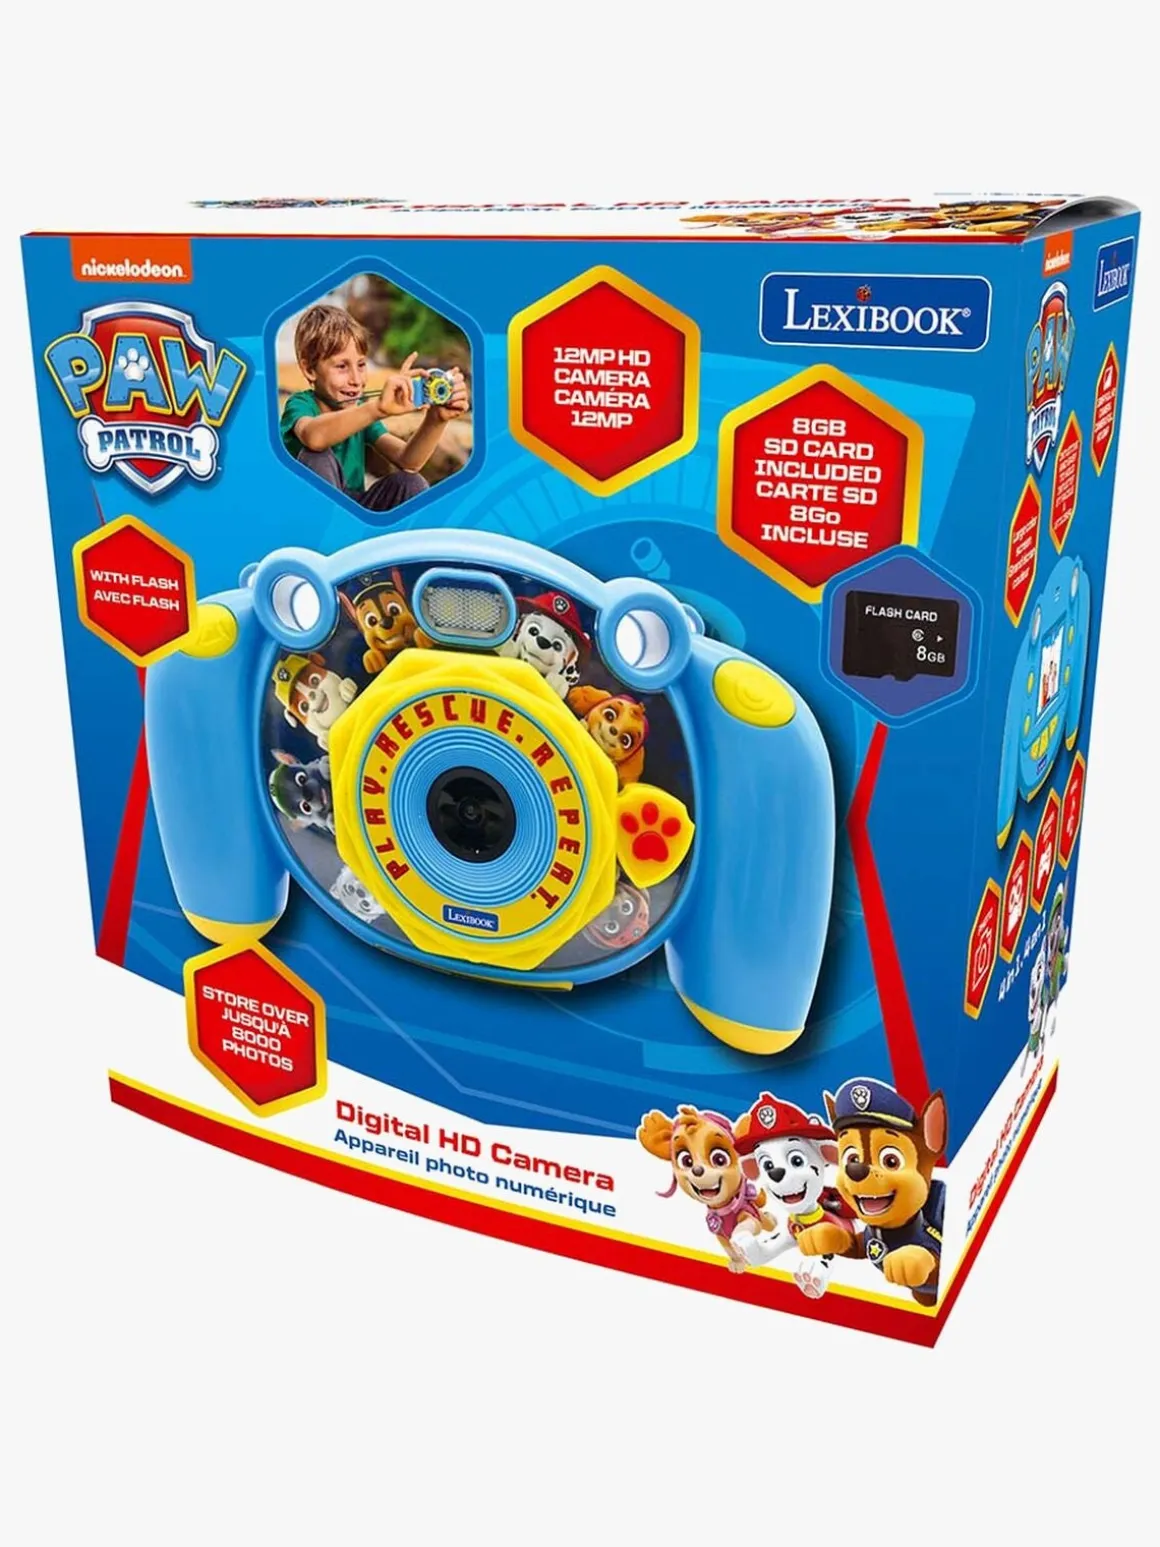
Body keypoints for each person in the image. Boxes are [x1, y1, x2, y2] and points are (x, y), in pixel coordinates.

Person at [280, 302, 469, 511]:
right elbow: (314, 437)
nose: (356, 379)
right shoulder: (300, 404)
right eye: (342, 366)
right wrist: (377, 409)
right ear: (309, 370)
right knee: (317, 455)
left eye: (361, 365)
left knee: (410, 482)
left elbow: (408, 461)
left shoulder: (361, 410)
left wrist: (436, 420)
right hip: (310, 513)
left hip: (353, 509)